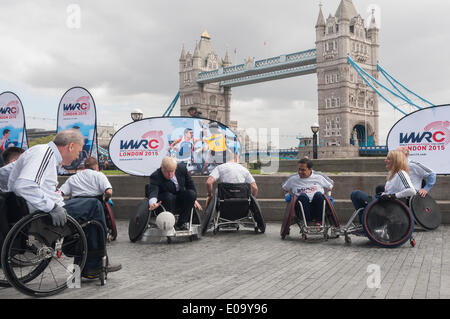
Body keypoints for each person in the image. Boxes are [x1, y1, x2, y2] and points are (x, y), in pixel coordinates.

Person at [6, 129, 121, 278]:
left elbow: (5, 173)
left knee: (83, 206)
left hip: (35, 209)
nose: (77, 156)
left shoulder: (38, 152)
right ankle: (93, 265)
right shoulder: (45, 153)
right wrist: (52, 207)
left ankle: (84, 255)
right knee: (94, 205)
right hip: (41, 214)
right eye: (78, 151)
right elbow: (24, 185)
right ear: (70, 146)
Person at [350, 150, 416, 212]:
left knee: (356, 194)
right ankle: (364, 219)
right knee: (359, 197)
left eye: (388, 159)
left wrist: (392, 196)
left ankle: (364, 219)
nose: (385, 160)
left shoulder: (401, 173)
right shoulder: (393, 175)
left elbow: (411, 191)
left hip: (388, 208)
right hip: (384, 204)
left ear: (396, 161)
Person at [148, 156, 202, 230]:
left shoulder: (182, 169)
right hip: (165, 201)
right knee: (169, 196)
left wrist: (193, 199)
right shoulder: (155, 176)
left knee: (191, 194)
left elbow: (190, 185)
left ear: (175, 169)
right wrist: (153, 203)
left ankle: (181, 222)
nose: (170, 175)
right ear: (162, 168)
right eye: (167, 172)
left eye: (172, 171)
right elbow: (153, 192)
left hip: (180, 198)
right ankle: (171, 223)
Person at [282, 158, 333, 225]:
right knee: (303, 196)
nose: (300, 172)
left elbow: (330, 186)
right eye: (299, 169)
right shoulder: (293, 179)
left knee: (318, 195)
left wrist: (329, 196)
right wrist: (287, 195)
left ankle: (319, 222)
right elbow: (285, 188)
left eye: (303, 170)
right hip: (301, 206)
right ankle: (308, 222)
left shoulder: (318, 177)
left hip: (318, 205)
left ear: (310, 169)